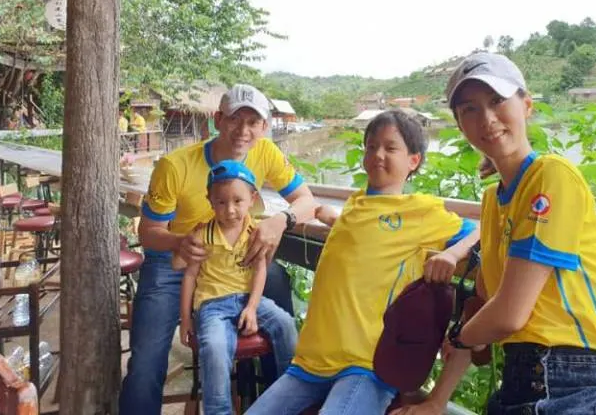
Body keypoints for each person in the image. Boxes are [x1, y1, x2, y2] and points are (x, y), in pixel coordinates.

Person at [393, 52, 596, 415]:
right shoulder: (492, 203)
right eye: (469, 109)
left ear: (526, 105)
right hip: (519, 384)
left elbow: (508, 315)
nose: (487, 118)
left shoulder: (551, 174)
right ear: (461, 126)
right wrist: (436, 401)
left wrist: (459, 337)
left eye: (497, 100)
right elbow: (482, 311)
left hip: (585, 381)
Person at [247, 109, 479, 415]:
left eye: (390, 148)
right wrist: (330, 217)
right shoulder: (355, 204)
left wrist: (452, 253)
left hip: (368, 365)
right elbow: (364, 232)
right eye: (371, 146)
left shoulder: (421, 212)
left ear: (414, 160)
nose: (378, 154)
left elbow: (484, 230)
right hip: (311, 361)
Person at [120, 84, 317, 415]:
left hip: (234, 263)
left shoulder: (266, 152)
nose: (243, 131)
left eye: (253, 122)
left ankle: (278, 401)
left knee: (278, 287)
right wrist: (179, 241)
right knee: (146, 361)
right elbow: (149, 233)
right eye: (235, 119)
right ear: (218, 120)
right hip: (175, 261)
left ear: (264, 127)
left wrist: (280, 221)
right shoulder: (175, 166)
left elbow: (307, 200)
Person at [180, 160, 298, 415]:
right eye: (221, 202)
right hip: (212, 305)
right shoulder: (202, 235)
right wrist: (186, 318)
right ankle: (218, 411)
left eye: (237, 201)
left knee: (286, 324)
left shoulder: (255, 232)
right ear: (210, 201)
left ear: (252, 199)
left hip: (249, 299)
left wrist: (252, 307)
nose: (230, 210)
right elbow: (189, 275)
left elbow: (260, 270)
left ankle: (288, 400)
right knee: (214, 347)